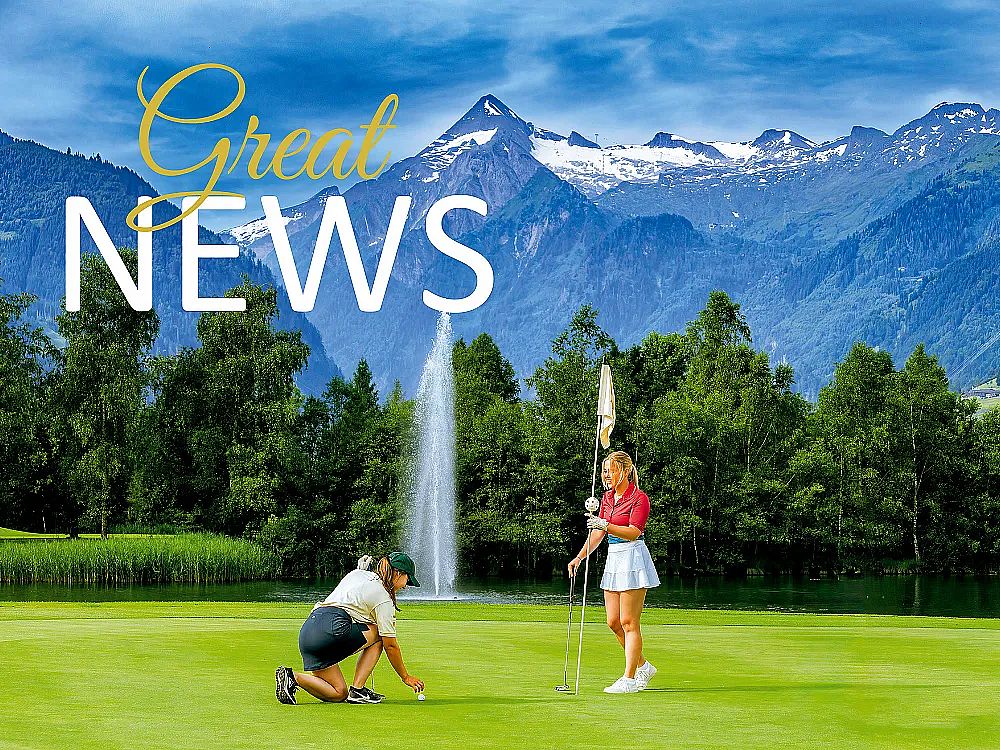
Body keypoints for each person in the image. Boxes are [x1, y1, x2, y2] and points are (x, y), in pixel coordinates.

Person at [275, 552, 425, 705]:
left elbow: (358, 589)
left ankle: (292, 677)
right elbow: (391, 645)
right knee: (381, 635)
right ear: (398, 573)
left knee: (338, 692)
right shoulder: (384, 597)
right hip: (330, 629)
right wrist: (405, 677)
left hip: (308, 633)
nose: (406, 585)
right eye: (407, 579)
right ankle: (358, 690)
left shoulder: (358, 573)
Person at [567, 451, 660, 694]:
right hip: (614, 559)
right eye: (605, 471)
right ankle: (643, 666)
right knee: (613, 622)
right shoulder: (607, 498)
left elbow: (633, 532)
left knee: (629, 622)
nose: (607, 475)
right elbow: (598, 534)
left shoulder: (639, 498)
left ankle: (629, 679)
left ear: (626, 471)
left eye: (611, 470)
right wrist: (579, 557)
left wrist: (605, 525)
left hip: (632, 557)